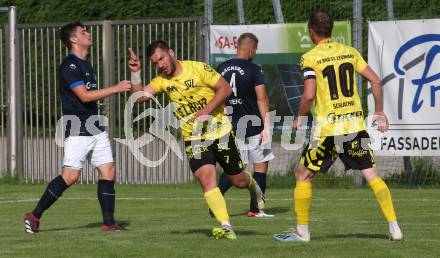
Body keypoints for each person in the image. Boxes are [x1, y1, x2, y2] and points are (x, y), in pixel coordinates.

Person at [273, 11, 403, 242]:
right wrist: (379, 110)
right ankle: (394, 227)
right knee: (372, 175)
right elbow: (375, 80)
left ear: (311, 31)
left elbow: (309, 94)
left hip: (328, 130)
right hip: (354, 125)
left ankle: (302, 232)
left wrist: (299, 117)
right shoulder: (350, 52)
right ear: (330, 29)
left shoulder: (310, 57)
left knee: (302, 175)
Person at [127, 40, 264, 240]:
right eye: (155, 63)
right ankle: (226, 226)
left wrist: (206, 110)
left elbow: (226, 90)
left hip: (220, 132)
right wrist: (136, 73)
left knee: (238, 180)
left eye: (162, 59)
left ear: (171, 53)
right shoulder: (162, 81)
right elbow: (139, 97)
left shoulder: (197, 68)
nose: (160, 65)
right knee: (206, 178)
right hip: (194, 137)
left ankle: (253, 185)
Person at [24, 22, 131, 233]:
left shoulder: (85, 64)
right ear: (73, 39)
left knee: (108, 170)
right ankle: (34, 215)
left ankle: (109, 223)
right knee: (71, 176)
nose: (88, 34)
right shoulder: (69, 66)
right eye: (83, 32)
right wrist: (116, 88)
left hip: (95, 127)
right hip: (78, 128)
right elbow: (83, 95)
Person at [216, 32, 274, 217]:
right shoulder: (254, 69)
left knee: (234, 169)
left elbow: (216, 94)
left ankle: (214, 201)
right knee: (261, 165)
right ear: (251, 49)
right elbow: (262, 98)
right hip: (255, 125)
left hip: (232, 125)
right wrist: (267, 126)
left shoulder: (222, 68)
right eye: (255, 50)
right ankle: (255, 210)